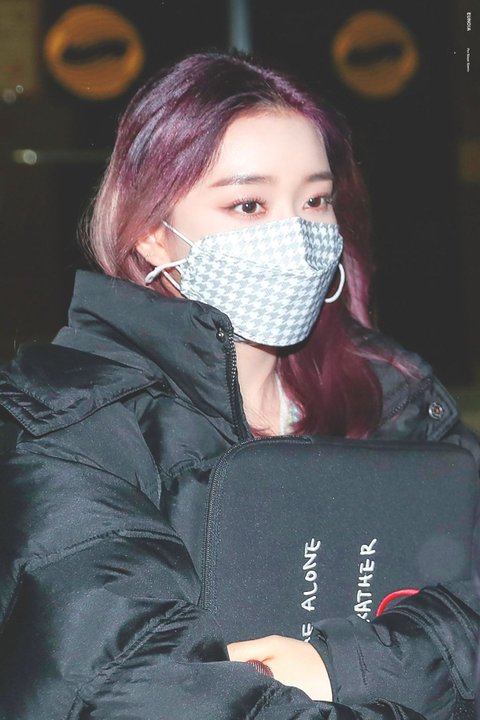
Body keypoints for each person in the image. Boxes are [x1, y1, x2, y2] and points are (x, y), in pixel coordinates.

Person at [0, 51, 478, 719]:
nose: (297, 237)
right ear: (151, 234)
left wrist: (342, 666)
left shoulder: (391, 393)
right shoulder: (71, 425)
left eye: (315, 200)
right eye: (249, 204)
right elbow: (130, 687)